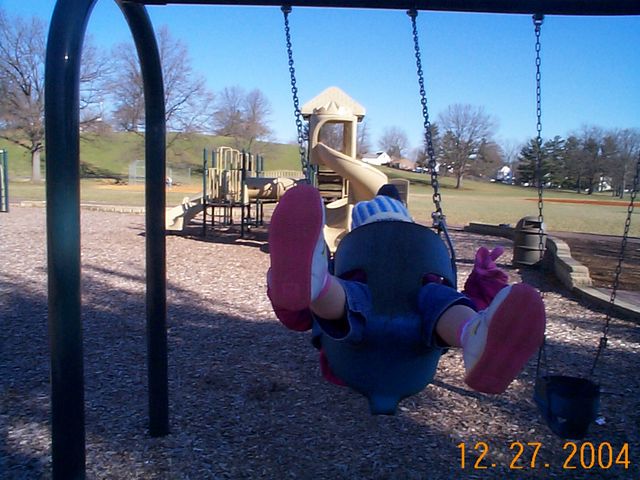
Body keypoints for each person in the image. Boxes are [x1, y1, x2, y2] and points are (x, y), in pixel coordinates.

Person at [267, 183, 545, 394]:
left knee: (437, 298)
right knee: (413, 296)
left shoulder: (422, 278)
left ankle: (476, 337)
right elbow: (299, 315)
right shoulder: (353, 270)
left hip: (398, 345)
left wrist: (484, 279)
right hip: (354, 348)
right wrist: (289, 289)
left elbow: (297, 319)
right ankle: (314, 284)